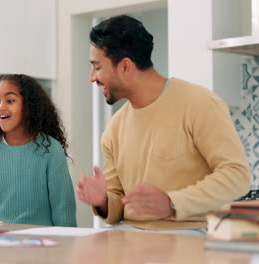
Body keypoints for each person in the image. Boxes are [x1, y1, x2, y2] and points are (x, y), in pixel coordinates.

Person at [77, 15, 251, 235]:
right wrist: (102, 200)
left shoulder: (199, 103)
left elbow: (237, 176)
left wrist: (171, 203)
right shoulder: (114, 128)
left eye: (97, 67)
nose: (92, 77)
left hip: (192, 232)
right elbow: (119, 203)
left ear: (125, 66)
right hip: (132, 233)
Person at [0, 74, 77, 227]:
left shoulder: (51, 149)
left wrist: (67, 247)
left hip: (43, 245)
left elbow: (63, 211)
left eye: (10, 100)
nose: (1, 107)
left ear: (29, 106)